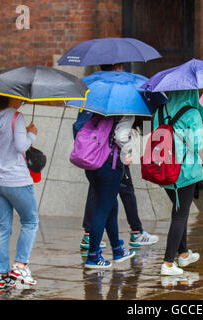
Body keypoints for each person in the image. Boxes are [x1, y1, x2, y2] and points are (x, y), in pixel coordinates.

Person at [76, 63, 159, 251]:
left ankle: (104, 242)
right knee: (122, 192)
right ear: (118, 68)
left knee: (100, 195)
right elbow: (120, 135)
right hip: (113, 157)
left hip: (94, 155)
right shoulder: (123, 93)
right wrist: (127, 152)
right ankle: (132, 234)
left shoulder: (94, 88)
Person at [0, 95, 39, 289]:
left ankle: (1, 275)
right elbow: (21, 146)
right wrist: (31, 134)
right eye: (19, 98)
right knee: (30, 221)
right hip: (16, 180)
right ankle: (21, 265)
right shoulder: (16, 117)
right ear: (10, 98)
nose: (21, 101)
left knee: (2, 227)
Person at [153, 90, 203, 276]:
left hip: (164, 170)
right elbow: (198, 144)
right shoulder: (192, 113)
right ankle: (168, 262)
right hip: (185, 171)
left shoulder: (160, 111)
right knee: (180, 215)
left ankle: (183, 253)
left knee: (178, 210)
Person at [83, 114, 136, 269]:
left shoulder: (96, 110)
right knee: (103, 209)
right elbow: (120, 137)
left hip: (92, 162)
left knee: (111, 206)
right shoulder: (126, 110)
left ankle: (117, 249)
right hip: (110, 165)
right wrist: (129, 151)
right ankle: (93, 255)